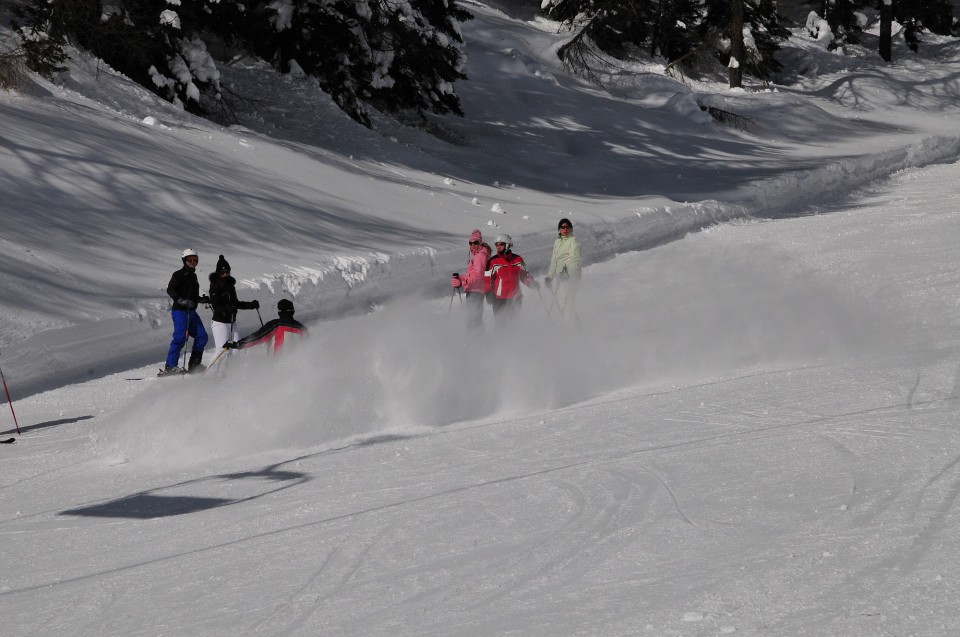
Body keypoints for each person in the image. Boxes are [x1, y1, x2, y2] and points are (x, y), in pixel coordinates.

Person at [161, 248, 209, 375]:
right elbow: (170, 289)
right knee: (180, 338)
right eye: (190, 260)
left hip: (191, 312)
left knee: (202, 336)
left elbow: (191, 296)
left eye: (195, 259)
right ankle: (170, 367)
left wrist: (200, 299)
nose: (192, 262)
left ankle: (194, 365)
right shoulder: (178, 274)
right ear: (184, 260)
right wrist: (180, 300)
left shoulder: (193, 276)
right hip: (180, 312)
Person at [208, 254, 260, 351]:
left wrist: (251, 305)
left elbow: (236, 303)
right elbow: (216, 306)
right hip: (220, 323)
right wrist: (228, 309)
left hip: (232, 321)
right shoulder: (215, 286)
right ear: (218, 273)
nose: (225, 274)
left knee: (237, 348)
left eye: (227, 272)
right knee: (222, 351)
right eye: (222, 272)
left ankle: (231, 366)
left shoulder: (230, 286)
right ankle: (213, 367)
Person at [486, 233, 538, 324]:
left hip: (515, 298)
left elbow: (523, 275)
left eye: (501, 244)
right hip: (499, 299)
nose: (498, 247)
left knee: (514, 323)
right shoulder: (493, 261)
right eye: (496, 245)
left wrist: (531, 283)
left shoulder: (518, 259)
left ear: (508, 245)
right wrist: (488, 293)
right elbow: (487, 279)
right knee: (501, 325)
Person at [225, 299, 307, 353]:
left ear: (279, 312)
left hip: (278, 365)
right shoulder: (302, 328)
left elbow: (258, 337)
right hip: (297, 368)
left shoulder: (276, 324)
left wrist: (238, 344)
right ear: (293, 311)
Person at [450, 229, 491, 329]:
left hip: (476, 292)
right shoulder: (479, 255)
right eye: (470, 243)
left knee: (473, 321)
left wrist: (462, 282)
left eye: (475, 243)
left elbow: (478, 276)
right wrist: (460, 278)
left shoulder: (480, 256)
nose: (472, 245)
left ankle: (477, 343)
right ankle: (478, 342)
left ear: (480, 243)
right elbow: (473, 274)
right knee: (474, 320)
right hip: (475, 291)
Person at [543, 218, 582, 317]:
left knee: (568, 304)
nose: (565, 229)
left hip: (570, 278)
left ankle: (572, 327)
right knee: (562, 304)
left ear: (571, 229)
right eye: (562, 227)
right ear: (559, 229)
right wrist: (550, 277)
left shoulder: (573, 242)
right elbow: (554, 261)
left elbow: (575, 261)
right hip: (560, 278)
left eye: (567, 227)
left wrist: (568, 275)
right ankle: (566, 326)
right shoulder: (557, 242)